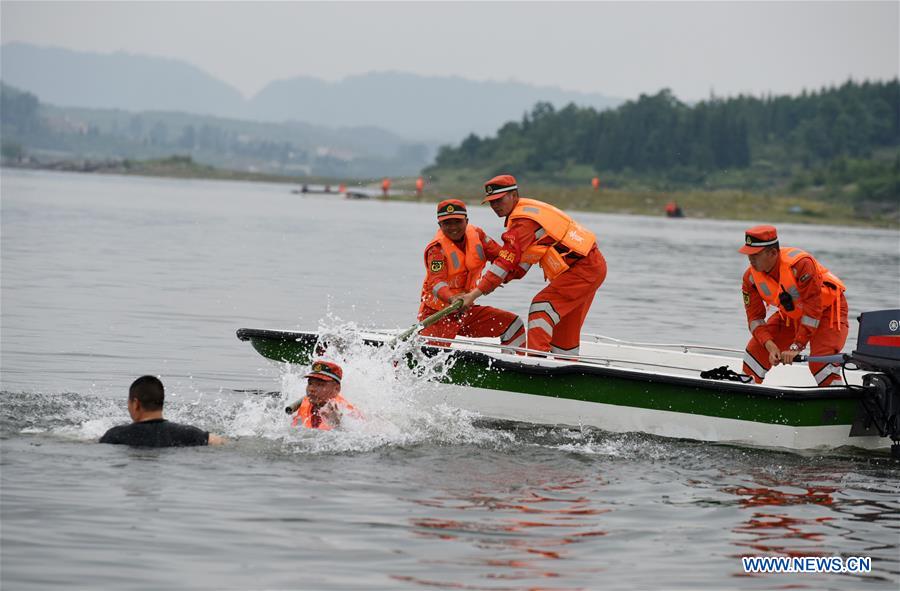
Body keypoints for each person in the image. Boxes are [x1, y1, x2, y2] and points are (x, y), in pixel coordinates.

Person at [452, 175, 607, 356]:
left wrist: (474, 294)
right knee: (564, 328)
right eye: (491, 202)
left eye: (499, 200)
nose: (495, 206)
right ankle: (565, 368)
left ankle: (536, 363)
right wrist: (499, 276)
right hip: (588, 267)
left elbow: (504, 263)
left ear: (514, 195)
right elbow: (518, 267)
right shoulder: (526, 215)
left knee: (541, 308)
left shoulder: (523, 224)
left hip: (583, 269)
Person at [739, 225, 848, 386]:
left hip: (828, 311)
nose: (750, 258)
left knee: (820, 363)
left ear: (773, 253)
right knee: (754, 353)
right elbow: (755, 319)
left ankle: (837, 404)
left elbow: (813, 309)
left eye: (755, 254)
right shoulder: (750, 278)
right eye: (749, 254)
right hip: (791, 315)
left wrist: (796, 346)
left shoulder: (801, 264)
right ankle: (744, 396)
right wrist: (770, 345)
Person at [419, 199, 525, 350]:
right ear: (440, 225)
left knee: (514, 325)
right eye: (447, 223)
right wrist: (452, 298)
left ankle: (516, 367)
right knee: (432, 357)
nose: (453, 227)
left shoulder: (478, 235)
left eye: (457, 222)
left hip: (465, 311)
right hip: (438, 315)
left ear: (466, 221)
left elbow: (501, 258)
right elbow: (436, 282)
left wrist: (504, 274)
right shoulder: (436, 249)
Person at [100, 375, 226, 447]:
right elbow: (219, 442)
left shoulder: (116, 435)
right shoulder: (189, 433)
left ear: (136, 404)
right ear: (161, 402)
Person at [292, 360, 358, 430]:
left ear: (336, 389)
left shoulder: (348, 412)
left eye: (320, 385)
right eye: (310, 383)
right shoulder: (305, 404)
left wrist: (338, 426)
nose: (311, 389)